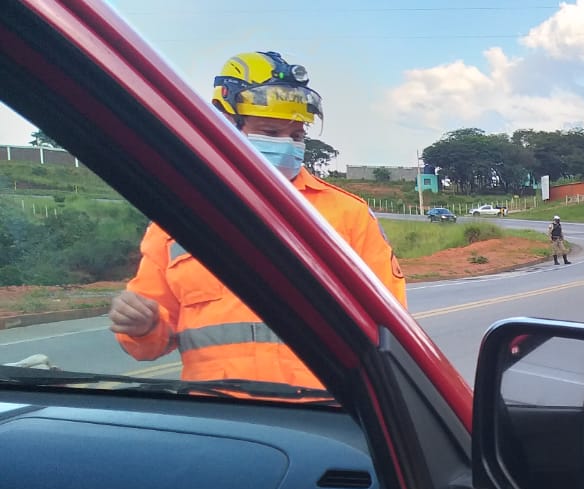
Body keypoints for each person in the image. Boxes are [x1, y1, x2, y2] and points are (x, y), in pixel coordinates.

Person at [108, 50, 406, 390]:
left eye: (297, 136)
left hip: (326, 416)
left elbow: (390, 327)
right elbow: (150, 342)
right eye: (270, 131)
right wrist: (142, 326)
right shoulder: (179, 221)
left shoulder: (347, 215)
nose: (288, 146)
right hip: (225, 422)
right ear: (223, 126)